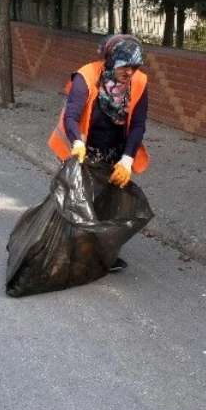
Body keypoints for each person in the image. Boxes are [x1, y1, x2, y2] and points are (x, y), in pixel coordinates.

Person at [47, 34, 150, 272]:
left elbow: (138, 124)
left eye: (134, 67)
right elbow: (72, 115)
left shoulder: (140, 82)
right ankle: (68, 251)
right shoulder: (87, 76)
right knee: (78, 201)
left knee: (107, 203)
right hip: (85, 146)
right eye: (125, 66)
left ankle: (102, 255)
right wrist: (77, 143)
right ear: (111, 59)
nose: (129, 72)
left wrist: (126, 160)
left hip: (115, 150)